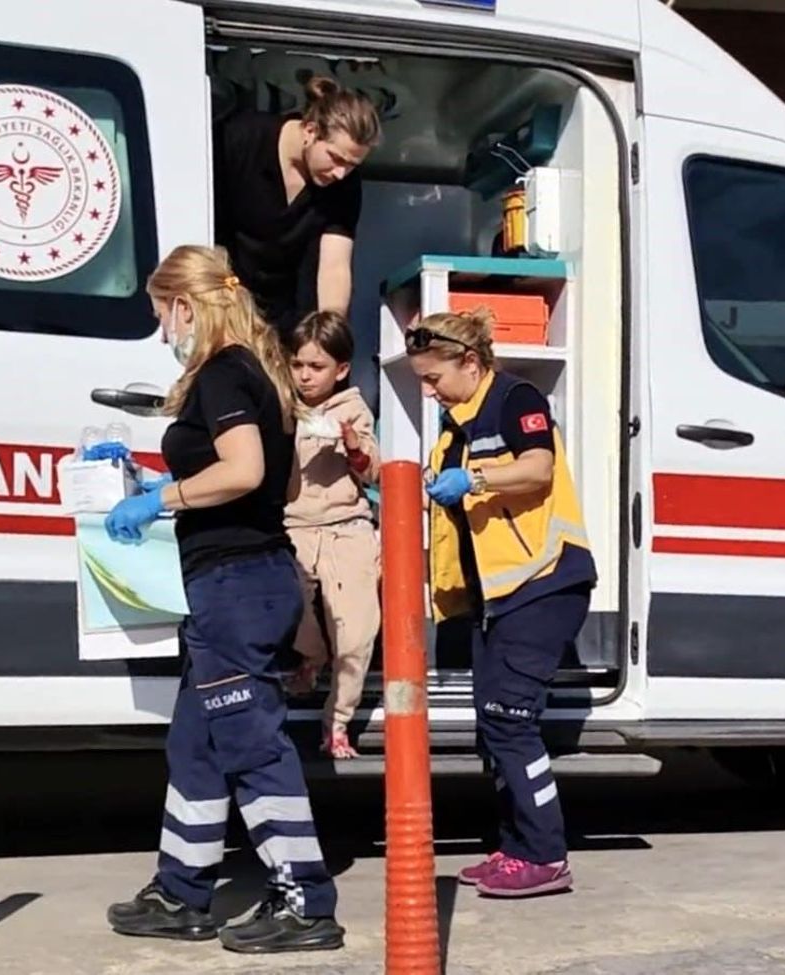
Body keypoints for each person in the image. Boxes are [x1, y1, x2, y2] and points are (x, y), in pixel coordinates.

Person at [104, 245, 344, 953]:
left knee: (249, 743)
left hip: (235, 582)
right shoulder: (265, 376)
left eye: (161, 315)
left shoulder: (223, 372)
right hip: (247, 575)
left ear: (187, 305)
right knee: (198, 743)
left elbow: (245, 469)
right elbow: (287, 486)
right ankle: (183, 889)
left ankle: (306, 899)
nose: (162, 332)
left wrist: (165, 496)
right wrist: (158, 479)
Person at [405, 308, 596, 899]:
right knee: (494, 725)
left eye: (434, 378)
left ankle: (544, 855)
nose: (427, 390)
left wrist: (477, 481)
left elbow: (538, 467)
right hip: (500, 594)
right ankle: (515, 848)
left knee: (511, 721)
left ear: (470, 362)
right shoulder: (452, 426)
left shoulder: (517, 398)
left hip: (545, 580)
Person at [213, 76, 381, 342]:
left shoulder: (345, 185)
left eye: (352, 165)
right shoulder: (240, 139)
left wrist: (329, 339)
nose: (341, 173)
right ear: (310, 131)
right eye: (336, 158)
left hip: (288, 320)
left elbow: (335, 266)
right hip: (223, 303)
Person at [282, 311, 381, 759]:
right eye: (297, 364)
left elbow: (374, 470)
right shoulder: (281, 405)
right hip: (294, 528)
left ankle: (337, 722)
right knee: (292, 612)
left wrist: (354, 449)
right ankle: (311, 657)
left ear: (341, 370)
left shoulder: (353, 409)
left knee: (356, 632)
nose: (304, 375)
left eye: (316, 367)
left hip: (346, 528)